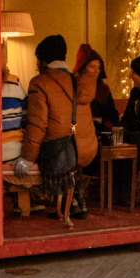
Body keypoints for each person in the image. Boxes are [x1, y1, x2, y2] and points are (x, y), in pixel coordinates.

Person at [14, 35, 91, 226]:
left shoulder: (39, 82)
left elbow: (37, 124)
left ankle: (45, 201)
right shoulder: (75, 81)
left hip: (54, 149)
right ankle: (73, 197)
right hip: (77, 147)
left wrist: (26, 158)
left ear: (41, 59)